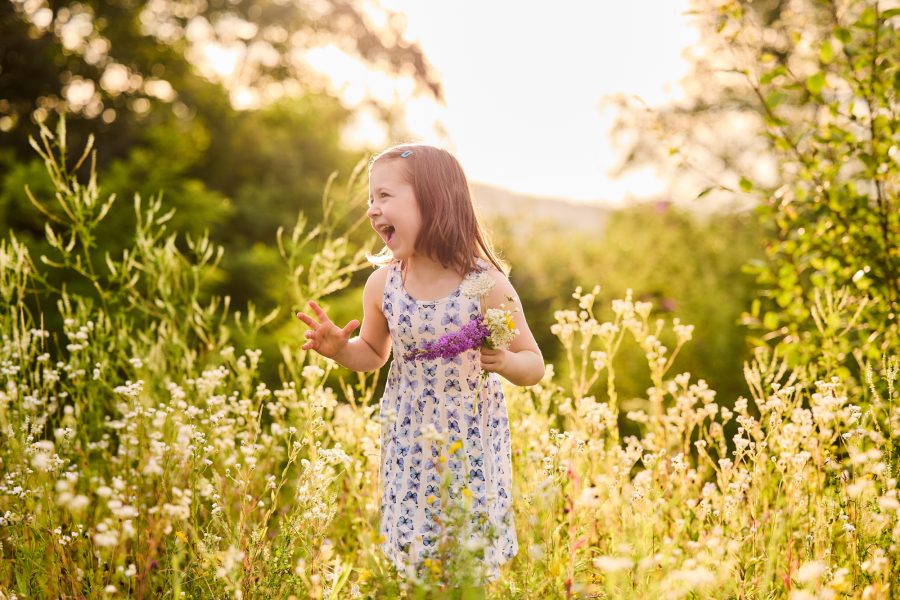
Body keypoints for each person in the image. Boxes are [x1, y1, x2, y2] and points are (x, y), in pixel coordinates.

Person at [296, 143, 544, 587]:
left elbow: (533, 364)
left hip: (468, 442)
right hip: (409, 440)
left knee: (466, 556)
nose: (373, 210)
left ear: (434, 200)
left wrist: (505, 360)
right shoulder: (383, 285)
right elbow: (373, 353)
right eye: (371, 199)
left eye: (385, 197)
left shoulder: (485, 286)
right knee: (414, 559)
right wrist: (339, 348)